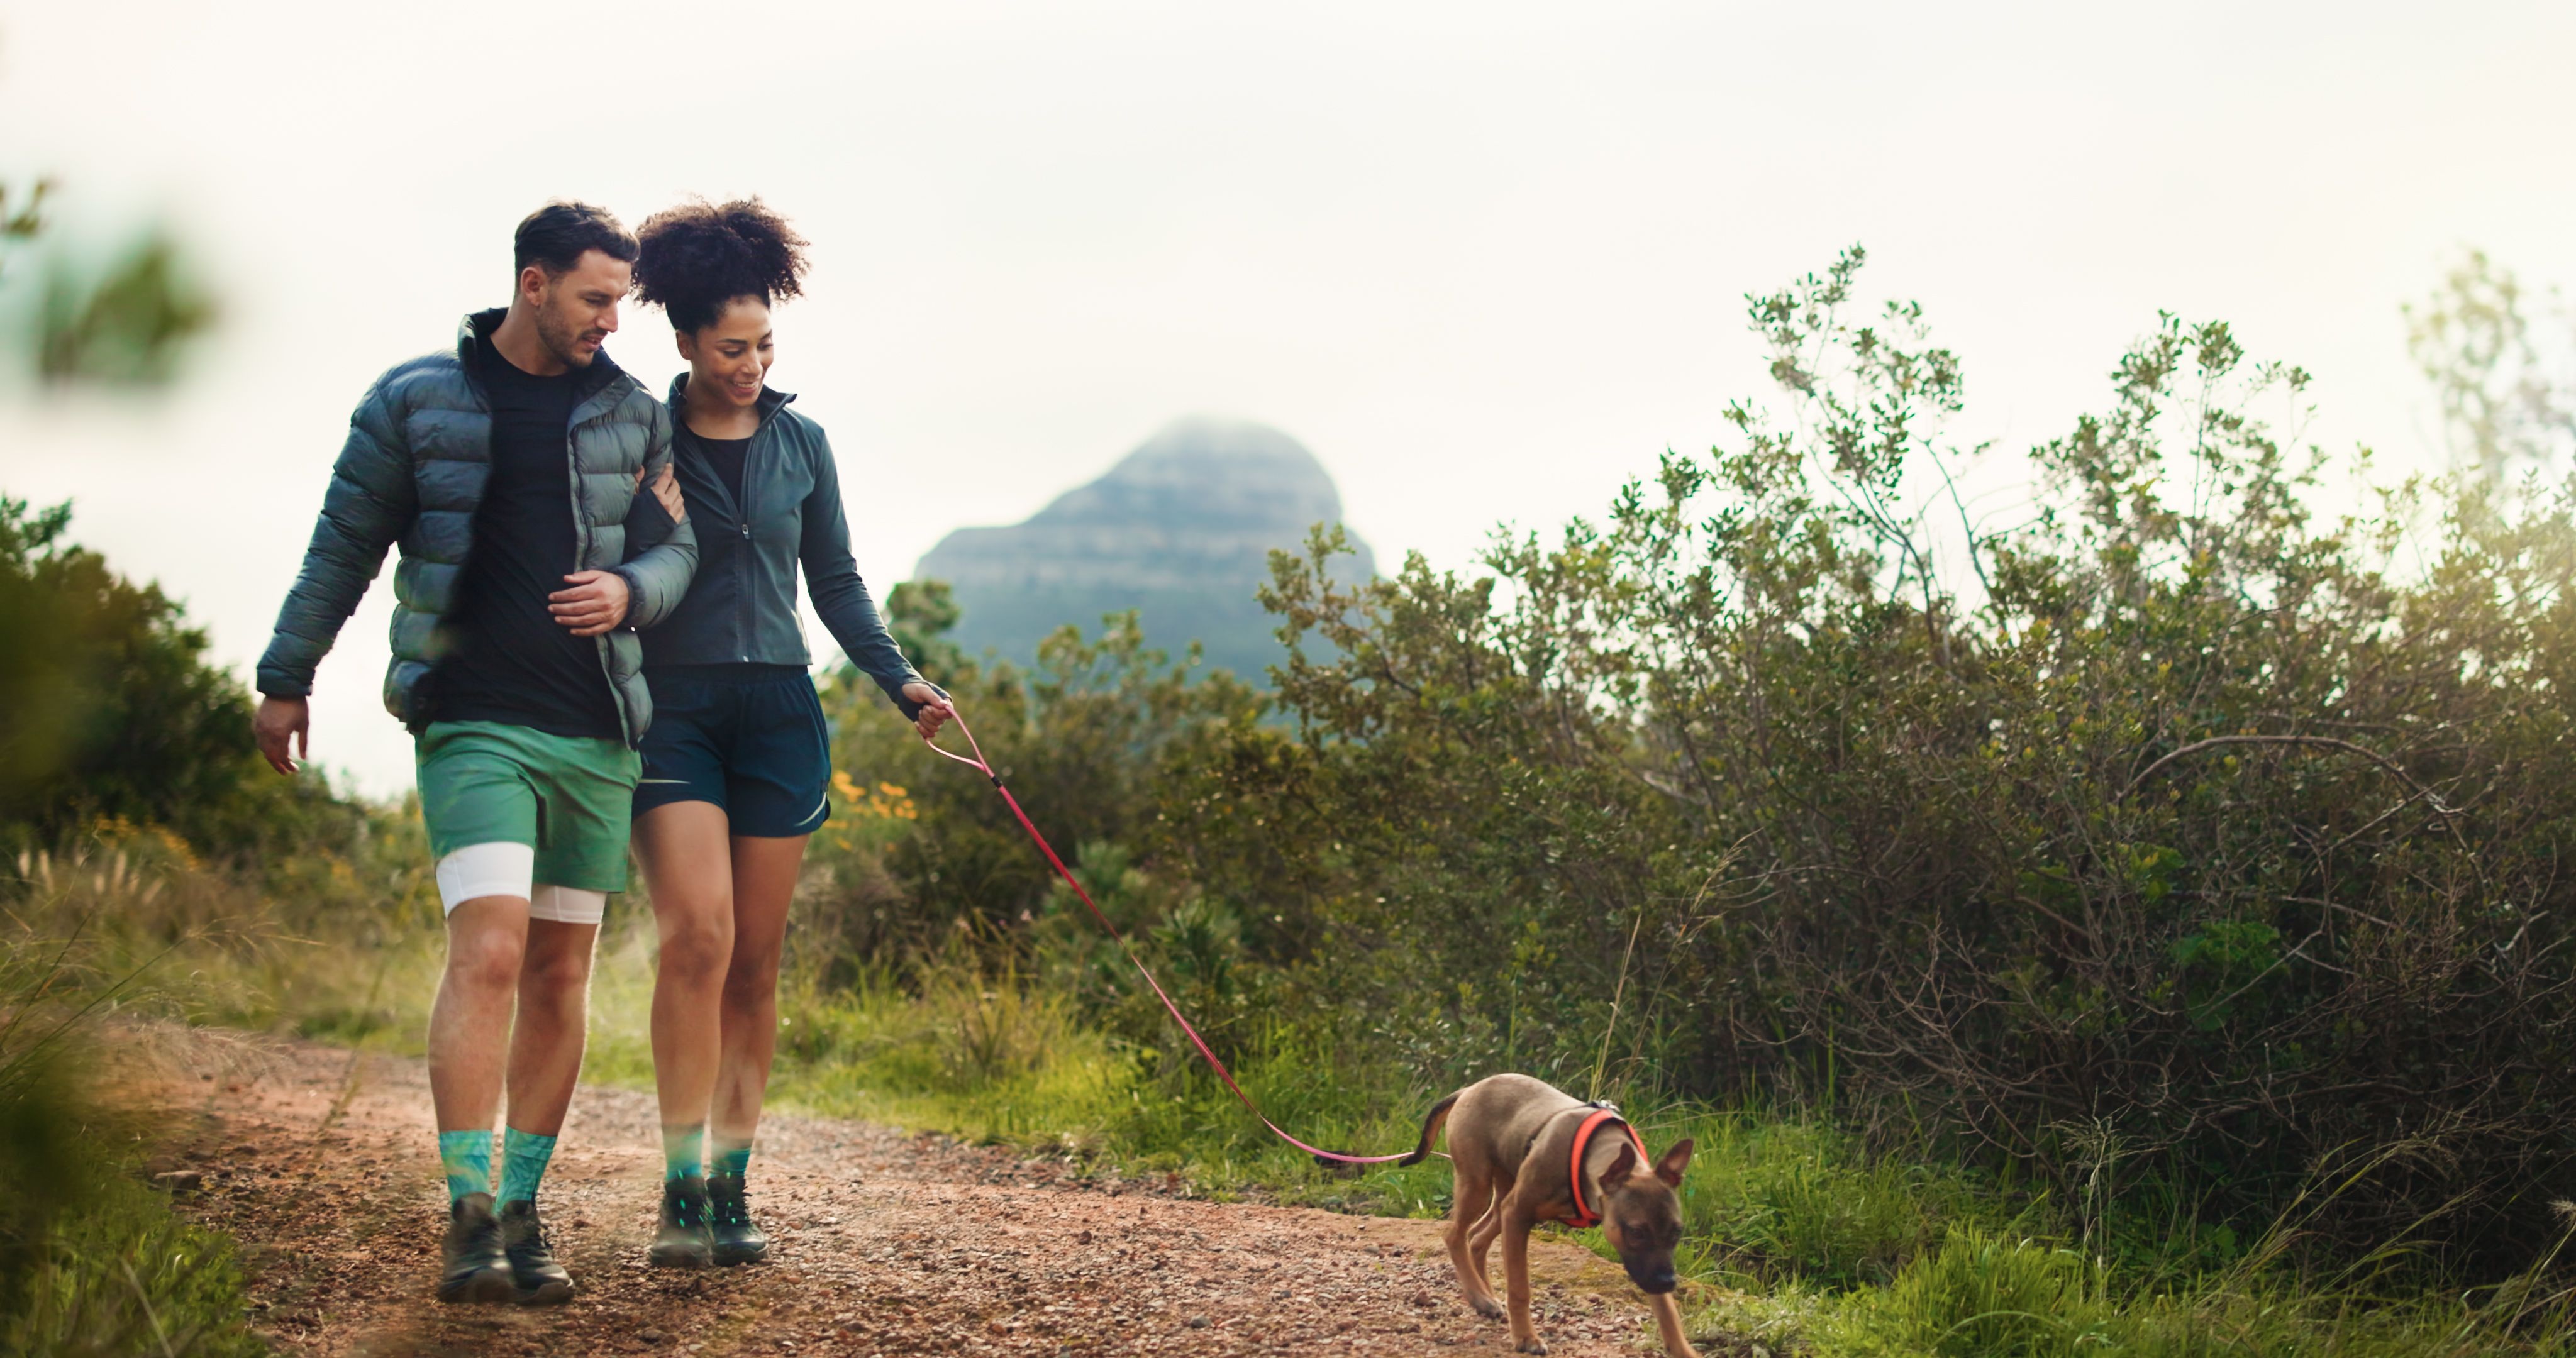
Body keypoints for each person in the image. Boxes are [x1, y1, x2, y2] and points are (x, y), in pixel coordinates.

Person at [250, 202, 696, 1305]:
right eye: (594, 298)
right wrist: (286, 674)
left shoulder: (636, 416)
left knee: (559, 972)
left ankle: (522, 1211)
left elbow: (679, 547)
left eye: (619, 302)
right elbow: (343, 546)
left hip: (596, 730)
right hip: (473, 722)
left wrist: (632, 590)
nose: (611, 322)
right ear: (532, 284)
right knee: (490, 952)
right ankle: (467, 1210)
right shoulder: (413, 401)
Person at [625, 197, 950, 1267]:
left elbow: (837, 580)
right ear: (685, 341)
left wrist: (903, 682)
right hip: (672, 713)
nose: (752, 365)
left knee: (755, 964)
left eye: (765, 345)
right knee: (698, 940)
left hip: (779, 713)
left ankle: (730, 1182)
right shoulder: (639, 436)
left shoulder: (804, 443)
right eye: (732, 348)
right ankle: (679, 1187)